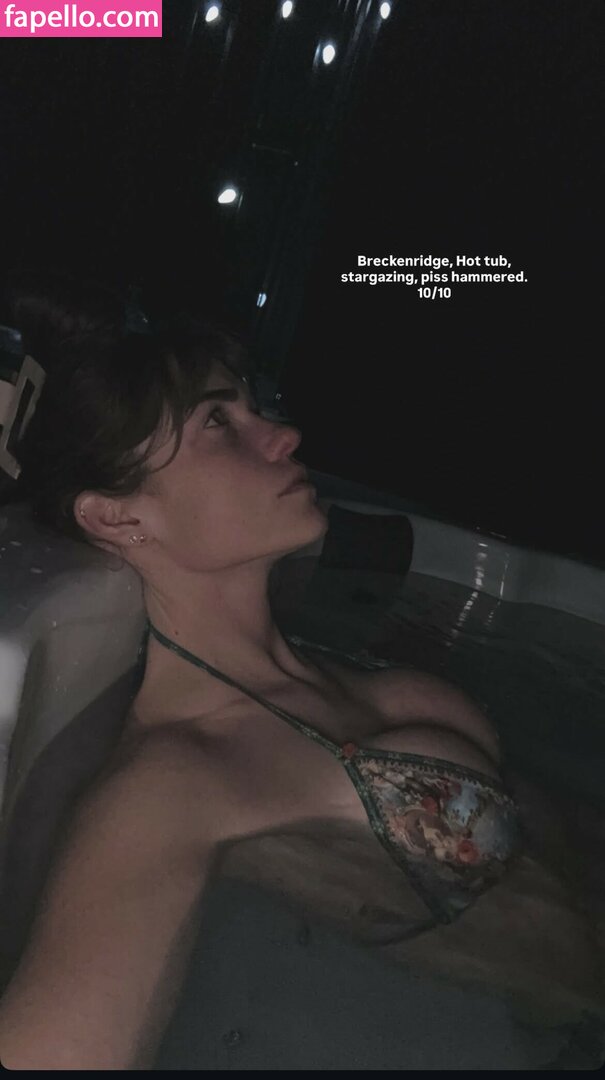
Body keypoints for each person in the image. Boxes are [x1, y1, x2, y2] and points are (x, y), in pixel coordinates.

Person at [0, 271, 519, 1069]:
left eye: (256, 409)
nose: (283, 436)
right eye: (217, 422)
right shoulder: (169, 788)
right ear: (118, 515)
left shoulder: (379, 686)